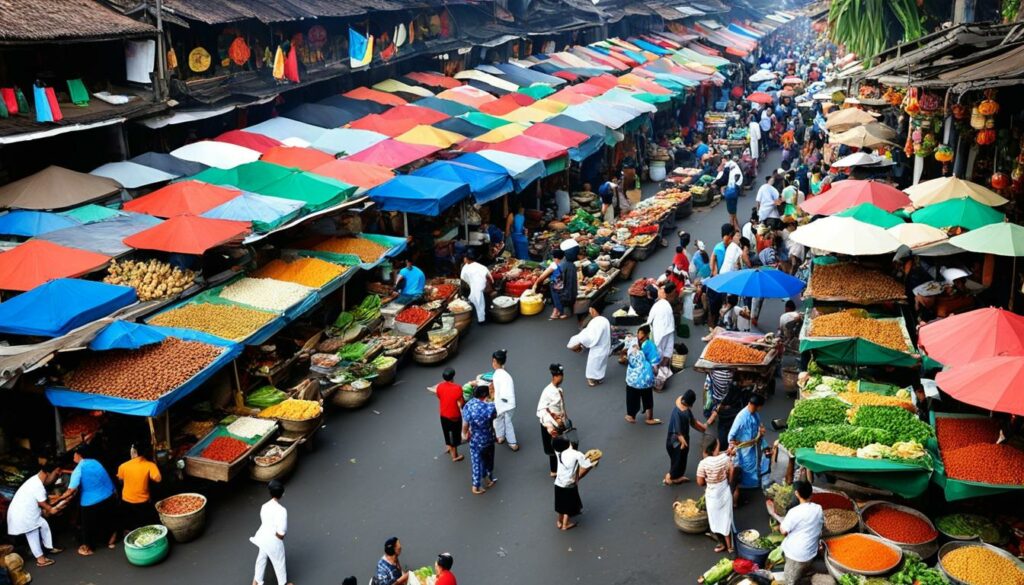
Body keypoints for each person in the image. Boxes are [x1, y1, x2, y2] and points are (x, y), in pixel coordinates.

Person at [55, 445, 117, 556]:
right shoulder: (95, 462)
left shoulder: (79, 469)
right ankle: (111, 541)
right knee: (108, 519)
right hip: (108, 495)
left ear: (79, 455)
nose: (74, 456)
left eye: (75, 453)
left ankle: (89, 548)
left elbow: (71, 490)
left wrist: (58, 499)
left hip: (90, 502)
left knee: (87, 525)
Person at [7, 461, 65, 567]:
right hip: (23, 515)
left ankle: (49, 547)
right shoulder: (37, 485)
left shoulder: (35, 480)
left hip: (24, 512)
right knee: (32, 533)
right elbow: (42, 503)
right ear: (48, 473)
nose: (56, 477)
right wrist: (52, 509)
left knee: (43, 524)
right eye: (55, 474)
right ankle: (41, 560)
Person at [780, 481, 824, 585]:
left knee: (790, 580)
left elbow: (784, 531)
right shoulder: (818, 508)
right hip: (811, 553)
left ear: (797, 494)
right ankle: (802, 577)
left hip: (797, 555)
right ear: (811, 493)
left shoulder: (794, 512)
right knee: (801, 572)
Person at [250, 480, 292, 585]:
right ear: (282, 494)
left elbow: (264, 522)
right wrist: (278, 537)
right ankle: (283, 583)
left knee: (261, 558)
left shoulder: (264, 506)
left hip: (262, 537)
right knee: (279, 561)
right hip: (273, 541)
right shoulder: (282, 510)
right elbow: (281, 532)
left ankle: (257, 581)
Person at [696, 439, 735, 554]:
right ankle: (730, 547)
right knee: (726, 518)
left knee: (715, 520)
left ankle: (722, 543)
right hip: (724, 491)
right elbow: (731, 469)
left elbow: (700, 482)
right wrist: (730, 482)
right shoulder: (725, 459)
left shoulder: (703, 464)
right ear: (714, 449)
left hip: (712, 494)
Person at [728, 394, 769, 496]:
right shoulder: (741, 417)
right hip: (744, 448)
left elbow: (760, 428)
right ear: (758, 406)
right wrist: (734, 445)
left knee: (754, 465)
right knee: (746, 466)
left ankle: (752, 484)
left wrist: (765, 445)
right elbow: (731, 436)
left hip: (754, 446)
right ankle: (744, 486)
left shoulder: (755, 414)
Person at [552, 435, 595, 531]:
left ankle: (559, 521)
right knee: (568, 505)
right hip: (569, 484)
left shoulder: (558, 452)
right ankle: (565, 524)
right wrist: (592, 463)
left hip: (558, 482)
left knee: (560, 504)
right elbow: (586, 465)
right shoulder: (576, 454)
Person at [116, 443, 162, 533]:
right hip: (143, 501)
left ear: (134, 453)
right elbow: (158, 479)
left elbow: (120, 480)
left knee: (132, 524)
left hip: (127, 500)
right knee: (149, 524)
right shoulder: (150, 465)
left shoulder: (123, 466)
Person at [665, 390, 707, 485]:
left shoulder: (686, 411)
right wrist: (684, 443)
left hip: (682, 439)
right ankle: (671, 477)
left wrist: (703, 428)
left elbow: (693, 422)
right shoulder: (678, 413)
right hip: (676, 442)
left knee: (681, 459)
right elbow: (678, 432)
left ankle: (677, 476)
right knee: (678, 460)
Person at [461, 385, 497, 494]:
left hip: (475, 439)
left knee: (476, 461)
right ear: (485, 395)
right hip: (488, 438)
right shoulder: (490, 407)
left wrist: (464, 434)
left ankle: (476, 485)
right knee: (489, 459)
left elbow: (465, 424)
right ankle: (488, 478)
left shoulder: (469, 405)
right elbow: (494, 417)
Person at [624, 325, 662, 425]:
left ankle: (632, 415)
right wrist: (655, 374)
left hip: (633, 377)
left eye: (639, 333)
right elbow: (654, 363)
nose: (638, 335)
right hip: (644, 378)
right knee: (647, 396)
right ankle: (648, 418)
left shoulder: (636, 343)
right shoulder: (649, 345)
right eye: (638, 333)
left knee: (633, 395)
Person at [567, 302, 611, 386]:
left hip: (596, 348)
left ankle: (591, 379)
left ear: (593, 311)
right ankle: (599, 378)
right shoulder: (605, 320)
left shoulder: (595, 322)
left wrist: (581, 342)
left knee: (594, 363)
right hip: (605, 346)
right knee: (602, 363)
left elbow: (590, 337)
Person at [537, 364, 568, 477]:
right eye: (561, 375)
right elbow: (541, 410)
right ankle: (554, 471)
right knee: (554, 449)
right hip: (550, 425)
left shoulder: (558, 390)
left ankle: (560, 467)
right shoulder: (548, 392)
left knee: (560, 447)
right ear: (557, 376)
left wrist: (564, 420)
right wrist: (551, 424)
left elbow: (561, 407)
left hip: (559, 423)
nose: (562, 378)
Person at [490, 349, 518, 451]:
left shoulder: (496, 375)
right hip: (509, 403)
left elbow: (495, 391)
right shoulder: (506, 375)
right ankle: (502, 437)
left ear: (494, 361)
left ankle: (511, 443)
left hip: (502, 404)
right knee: (504, 421)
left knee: (502, 421)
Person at [436, 368, 465, 462]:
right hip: (454, 416)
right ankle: (454, 456)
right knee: (455, 434)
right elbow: (461, 403)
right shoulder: (457, 388)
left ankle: (448, 447)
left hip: (443, 414)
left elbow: (439, 397)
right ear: (453, 377)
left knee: (446, 431)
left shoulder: (439, 386)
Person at [532, 249, 566, 320]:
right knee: (560, 299)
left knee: (556, 299)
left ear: (554, 257)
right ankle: (556, 313)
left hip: (555, 285)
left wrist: (535, 285)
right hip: (563, 284)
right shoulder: (564, 263)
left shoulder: (553, 265)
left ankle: (561, 314)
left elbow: (542, 277)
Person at [647, 283, 676, 365]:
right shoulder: (667, 305)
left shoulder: (658, 305)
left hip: (660, 330)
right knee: (667, 347)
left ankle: (656, 366)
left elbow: (649, 321)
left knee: (658, 348)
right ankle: (663, 365)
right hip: (668, 329)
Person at [459, 253, 491, 324]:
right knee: (482, 302)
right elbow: (488, 275)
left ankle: (482, 319)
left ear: (467, 259)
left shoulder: (465, 268)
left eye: (465, 258)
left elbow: (463, 278)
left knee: (479, 303)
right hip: (481, 287)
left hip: (476, 287)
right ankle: (484, 318)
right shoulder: (480, 266)